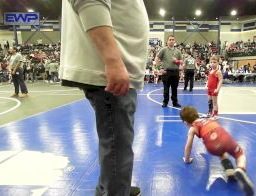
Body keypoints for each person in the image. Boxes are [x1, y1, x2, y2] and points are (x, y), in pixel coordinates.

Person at [60, 0, 149, 195]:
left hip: (116, 69)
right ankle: (115, 190)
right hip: (108, 69)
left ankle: (112, 187)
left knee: (117, 142)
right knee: (118, 146)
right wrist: (112, 58)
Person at [180, 106, 254, 196]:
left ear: (185, 122)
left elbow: (188, 146)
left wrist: (187, 159)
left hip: (212, 147)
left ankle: (229, 170)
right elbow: (215, 120)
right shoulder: (208, 118)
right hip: (225, 138)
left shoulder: (192, 129)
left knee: (220, 151)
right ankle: (240, 169)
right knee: (239, 154)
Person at [155, 35, 183, 108]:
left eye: (173, 39)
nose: (171, 41)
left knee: (174, 88)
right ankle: (165, 102)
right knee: (166, 88)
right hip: (166, 72)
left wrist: (176, 61)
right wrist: (159, 68)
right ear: (167, 41)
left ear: (175, 41)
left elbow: (182, 61)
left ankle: (175, 102)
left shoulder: (178, 51)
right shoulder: (163, 50)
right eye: (170, 39)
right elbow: (157, 58)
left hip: (175, 72)